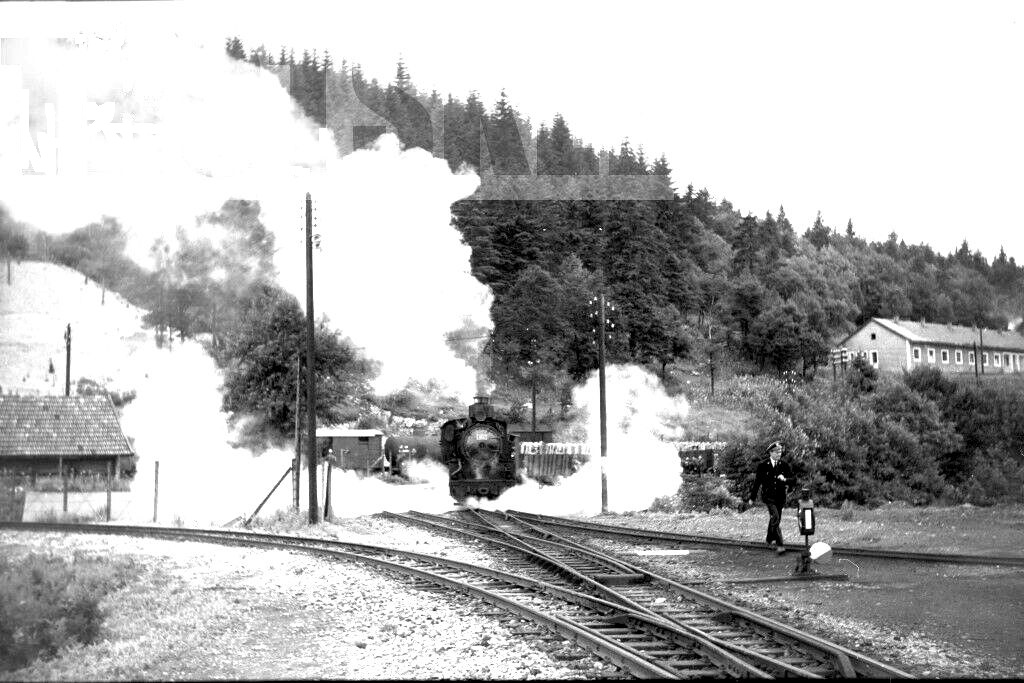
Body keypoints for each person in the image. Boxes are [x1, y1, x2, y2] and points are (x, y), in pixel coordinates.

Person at [747, 440, 793, 554]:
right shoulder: (763, 465)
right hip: (769, 497)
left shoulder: (784, 465)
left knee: (775, 518)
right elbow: (757, 482)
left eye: (780, 452)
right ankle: (780, 544)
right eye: (777, 452)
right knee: (775, 517)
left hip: (780, 497)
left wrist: (785, 479)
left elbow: (793, 479)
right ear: (771, 453)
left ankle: (769, 538)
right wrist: (752, 498)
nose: (779, 454)